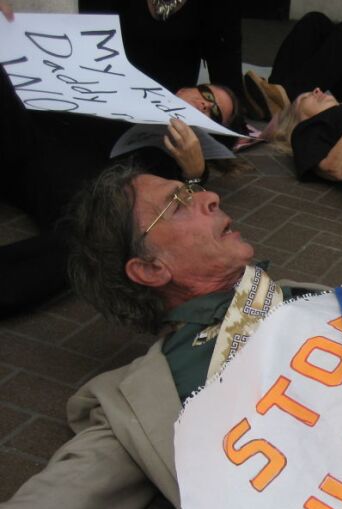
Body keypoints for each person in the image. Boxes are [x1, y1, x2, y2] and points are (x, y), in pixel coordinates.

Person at [0, 161, 342, 509]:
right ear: (151, 269)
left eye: (193, 189)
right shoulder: (149, 395)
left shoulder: (301, 294)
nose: (211, 197)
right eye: (178, 204)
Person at [0, 49, 242, 317]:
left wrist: (194, 172)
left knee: (95, 248)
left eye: (215, 114)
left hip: (72, 196)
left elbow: (177, 215)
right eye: (206, 94)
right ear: (185, 89)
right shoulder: (128, 87)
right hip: (30, 141)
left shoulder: (179, 158)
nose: (206, 105)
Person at [78, 0, 246, 105]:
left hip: (171, 113)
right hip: (103, 100)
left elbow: (229, 85)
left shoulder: (219, 5)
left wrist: (201, 100)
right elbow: (85, 46)